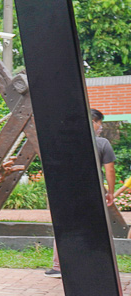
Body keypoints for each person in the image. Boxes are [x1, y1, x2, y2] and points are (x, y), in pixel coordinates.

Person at [46, 108, 115, 278]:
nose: (101, 127)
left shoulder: (64, 142)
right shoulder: (102, 143)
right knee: (93, 226)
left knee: (64, 227)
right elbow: (110, 170)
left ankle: (58, 267)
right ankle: (94, 264)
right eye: (100, 123)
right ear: (93, 123)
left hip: (65, 191)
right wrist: (111, 192)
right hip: (91, 191)